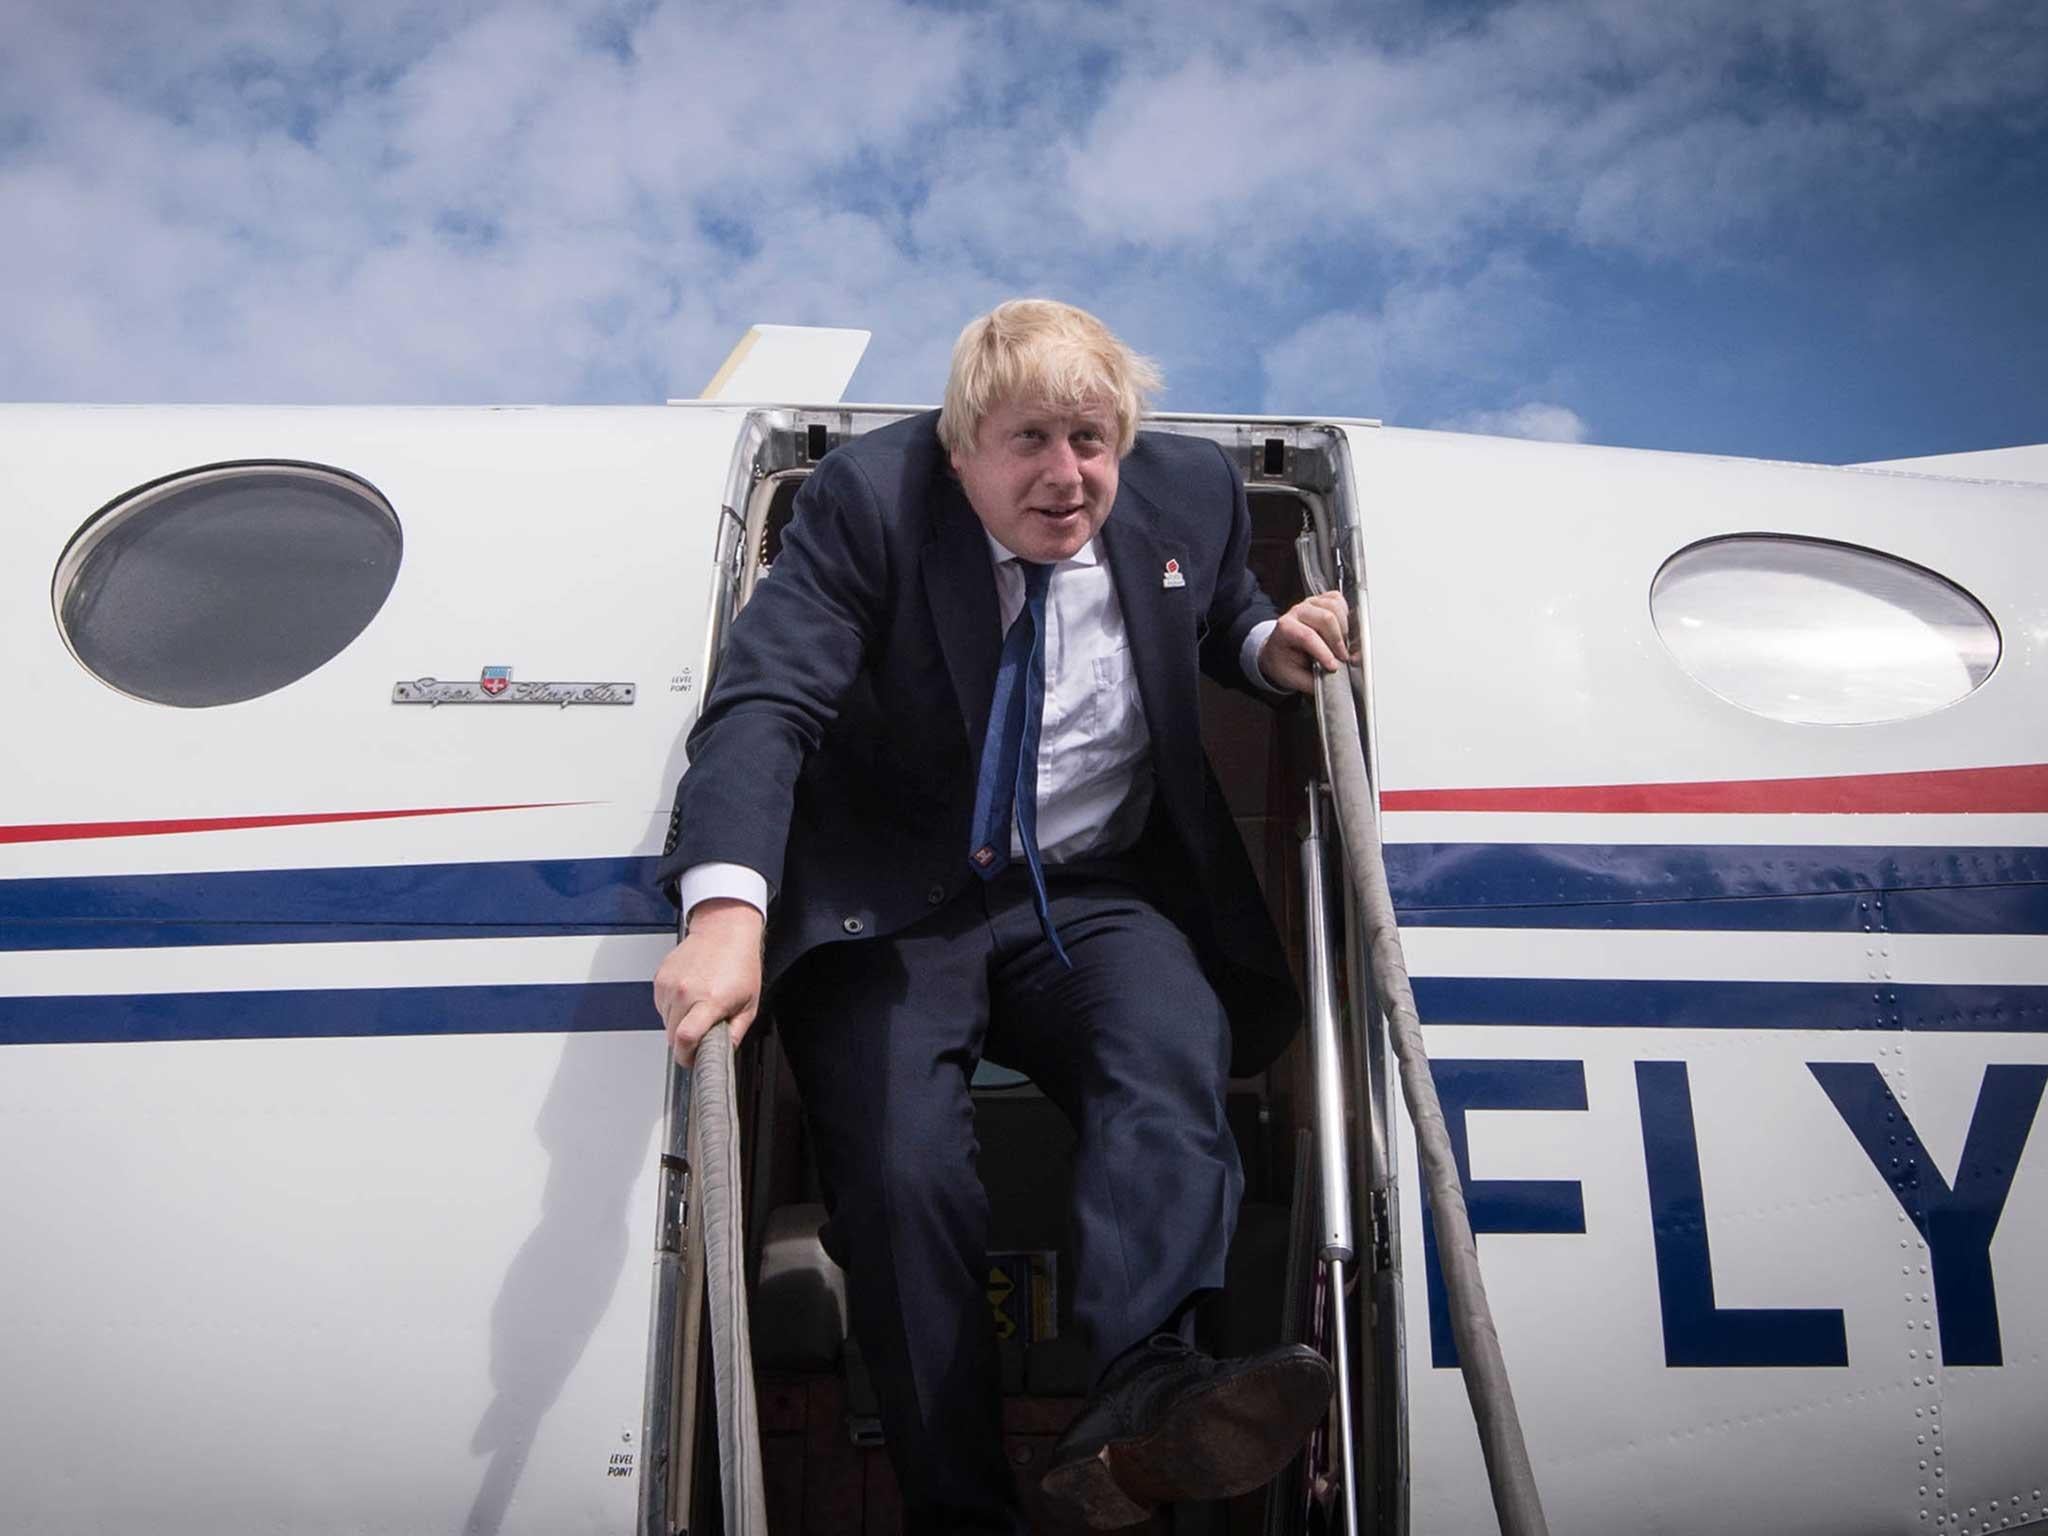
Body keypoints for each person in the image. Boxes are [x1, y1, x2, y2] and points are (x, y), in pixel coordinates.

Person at [653, 299, 1350, 1533]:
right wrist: (724, 912)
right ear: (961, 443)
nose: (1066, 476)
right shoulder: (870, 504)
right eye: (1028, 441)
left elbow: (1223, 607)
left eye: (1091, 439)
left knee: (1165, 1047)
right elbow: (764, 706)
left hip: (1085, 886)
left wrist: (1266, 646)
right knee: (902, 1173)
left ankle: (1146, 1390)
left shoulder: (1185, 491)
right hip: (895, 901)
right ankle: (955, 1507)